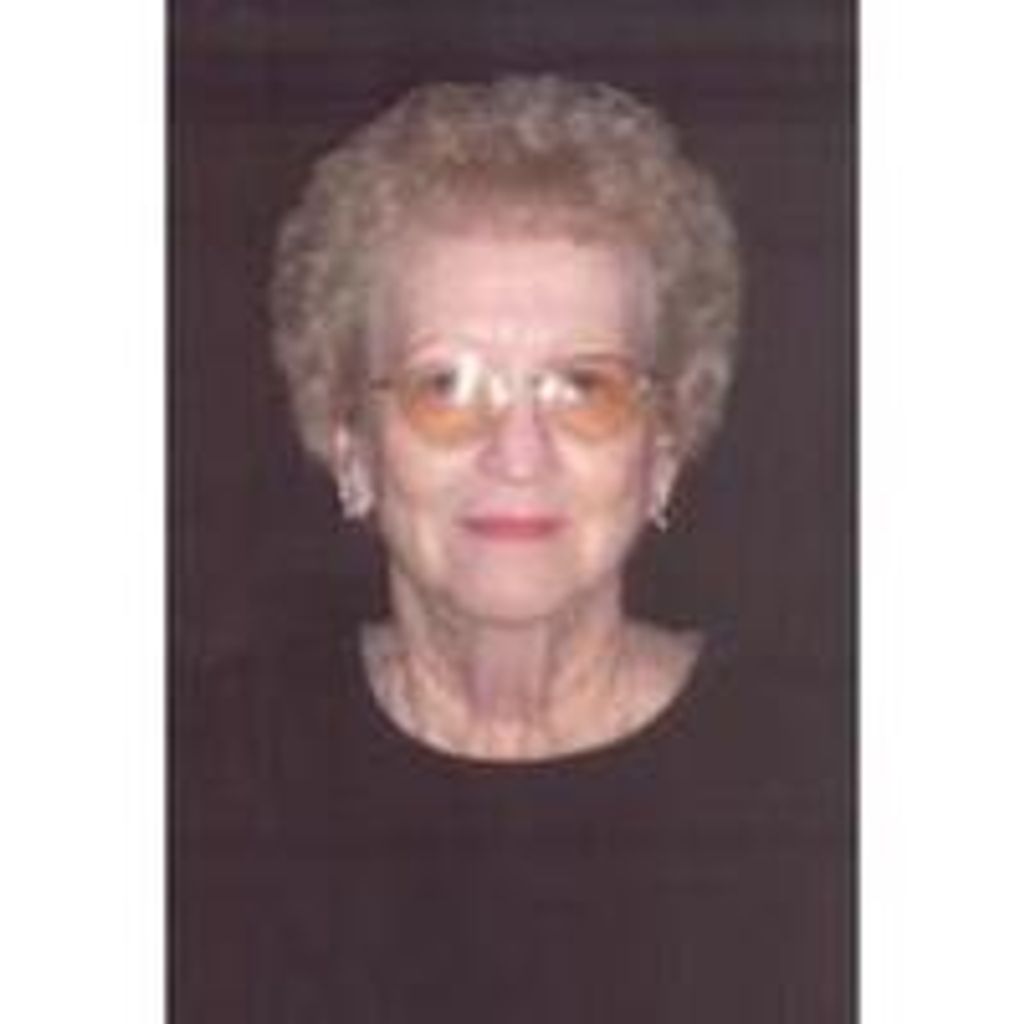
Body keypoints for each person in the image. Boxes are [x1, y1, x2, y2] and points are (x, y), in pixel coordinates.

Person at [175, 75, 849, 1022]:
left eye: (586, 387)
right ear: (351, 445)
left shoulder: (833, 783)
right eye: (445, 387)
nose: (518, 453)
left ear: (662, 449)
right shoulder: (198, 780)